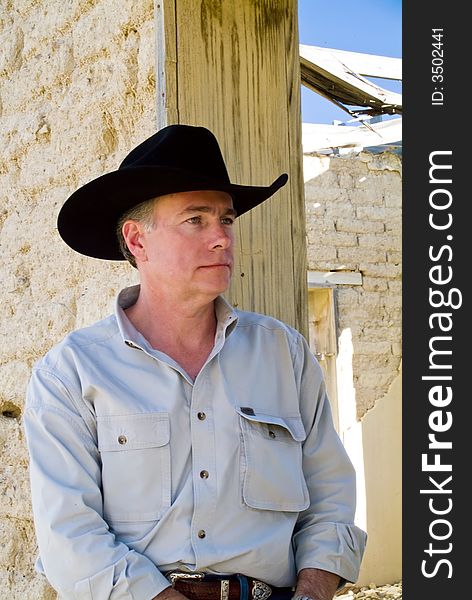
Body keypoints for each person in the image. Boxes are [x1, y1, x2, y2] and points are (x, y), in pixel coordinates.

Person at [24, 124, 367, 600]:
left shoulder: (282, 354)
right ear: (137, 241)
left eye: (226, 220)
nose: (221, 239)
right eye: (195, 220)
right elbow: (69, 536)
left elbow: (331, 494)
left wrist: (314, 589)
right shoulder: (72, 374)